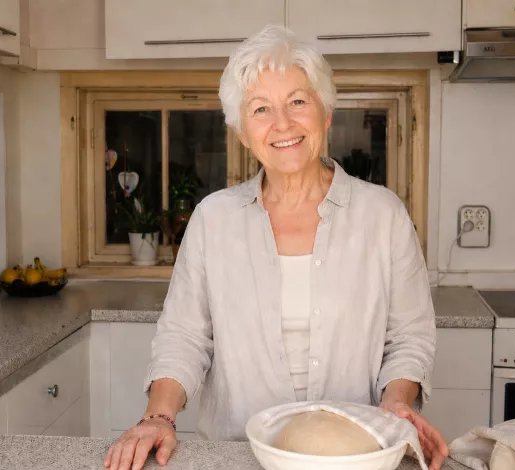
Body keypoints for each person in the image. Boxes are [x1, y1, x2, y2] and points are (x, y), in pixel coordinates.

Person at [104, 24, 447, 470]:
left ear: (326, 113)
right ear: (242, 132)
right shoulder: (213, 220)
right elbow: (184, 337)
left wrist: (396, 403)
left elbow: (409, 337)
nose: (282, 123)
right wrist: (158, 417)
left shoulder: (383, 215)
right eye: (261, 108)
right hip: (236, 454)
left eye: (298, 101)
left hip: (356, 455)